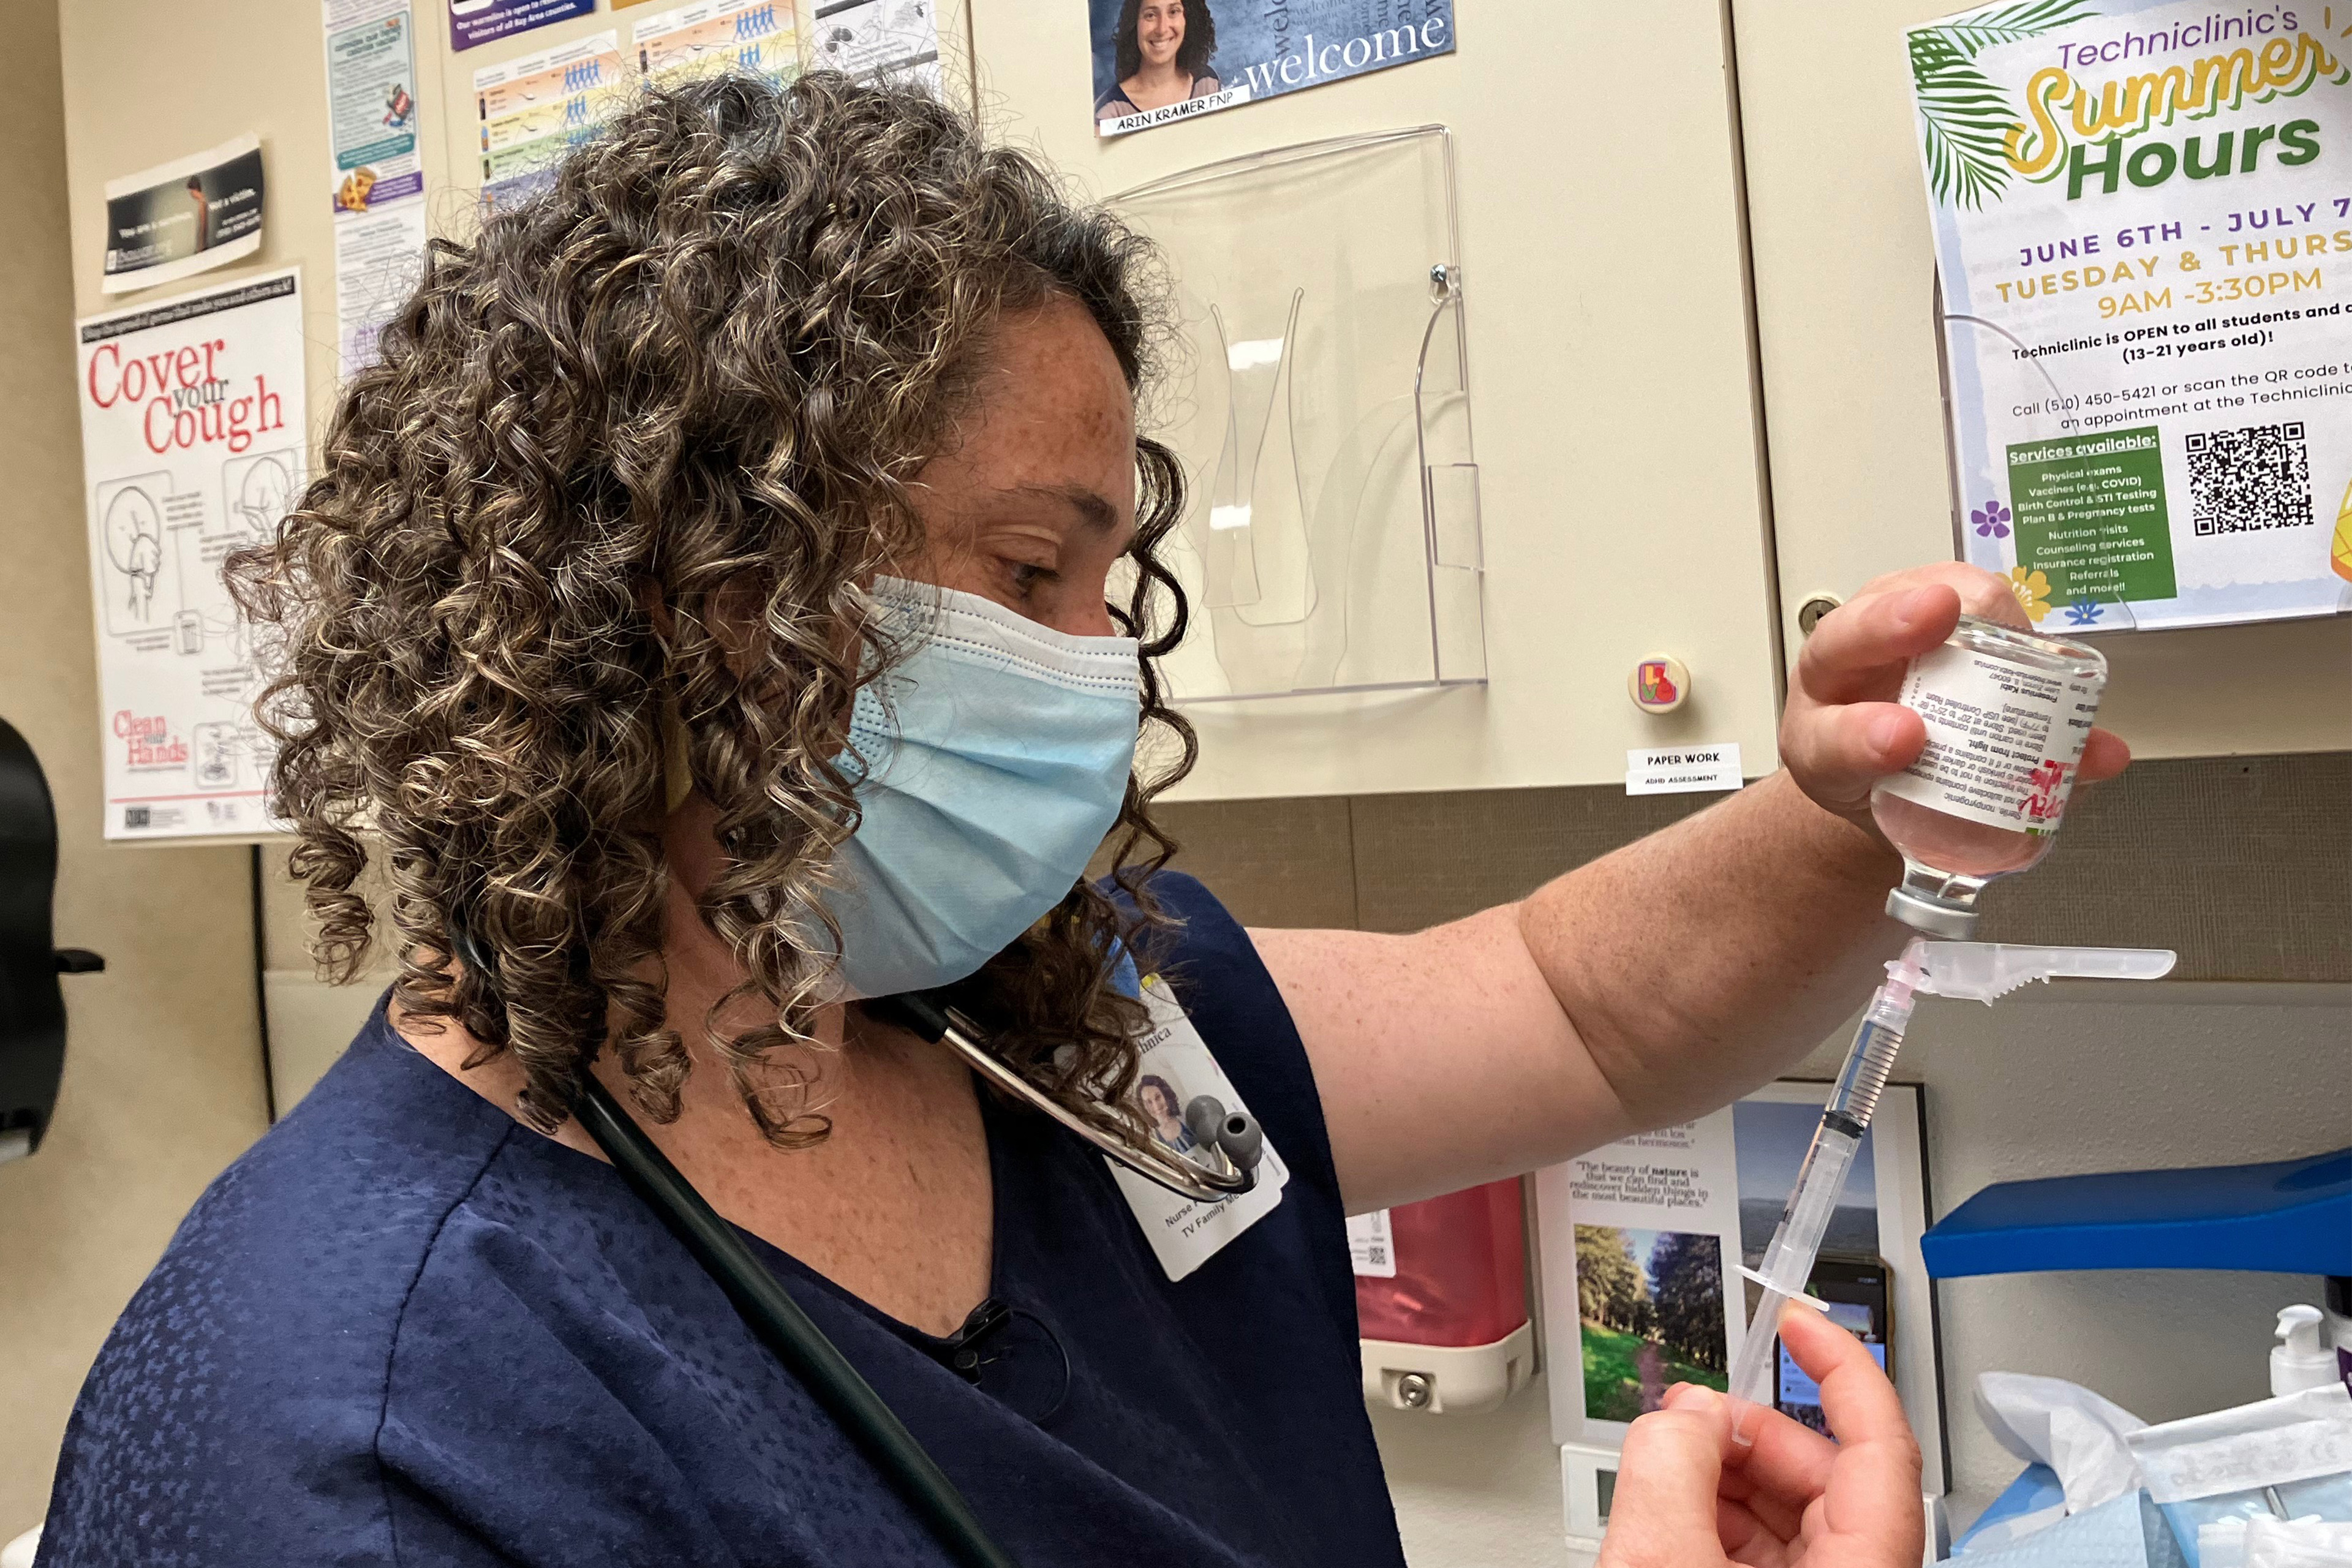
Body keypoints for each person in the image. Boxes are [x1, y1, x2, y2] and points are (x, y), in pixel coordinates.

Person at [37, 74, 2126, 1568]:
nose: (1097, 673)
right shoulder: (355, 1430)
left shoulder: (1054, 1031)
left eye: (1105, 586)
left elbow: (1567, 1010)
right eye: (1030, 575)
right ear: (685, 594)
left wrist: (1848, 816)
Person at [1095, 0, 1219, 126]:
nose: (1162, 29)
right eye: (1150, 15)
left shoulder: (1207, 84)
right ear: (1134, 24)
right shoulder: (1110, 113)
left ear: (1189, 18)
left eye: (1173, 12)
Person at [1137, 1074, 1197, 1153]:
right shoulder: (1152, 1140)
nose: (1156, 1106)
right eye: (1149, 1102)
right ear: (1144, 1107)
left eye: (1158, 1097)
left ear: (1165, 1095)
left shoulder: (1188, 1118)